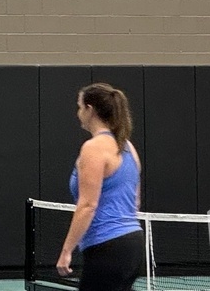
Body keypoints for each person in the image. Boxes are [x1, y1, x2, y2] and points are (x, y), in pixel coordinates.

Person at [56, 83, 144, 291]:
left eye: (79, 107)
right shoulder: (128, 147)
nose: (78, 113)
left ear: (90, 110)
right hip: (133, 244)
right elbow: (135, 202)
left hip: (108, 248)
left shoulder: (93, 148)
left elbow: (87, 205)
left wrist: (66, 250)